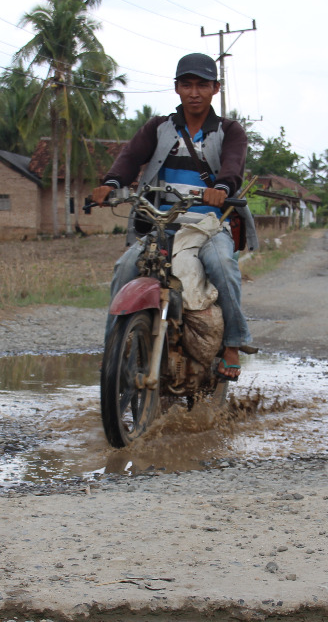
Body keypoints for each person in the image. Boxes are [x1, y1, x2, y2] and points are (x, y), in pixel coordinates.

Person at [91, 52, 257, 380]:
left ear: (215, 88)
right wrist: (110, 183)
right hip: (160, 222)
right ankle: (113, 350)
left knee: (223, 265)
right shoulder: (159, 128)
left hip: (208, 224)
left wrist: (222, 187)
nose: (194, 92)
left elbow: (233, 164)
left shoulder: (229, 130)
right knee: (124, 267)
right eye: (187, 84)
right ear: (177, 88)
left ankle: (234, 343)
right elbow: (130, 157)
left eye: (202, 85)